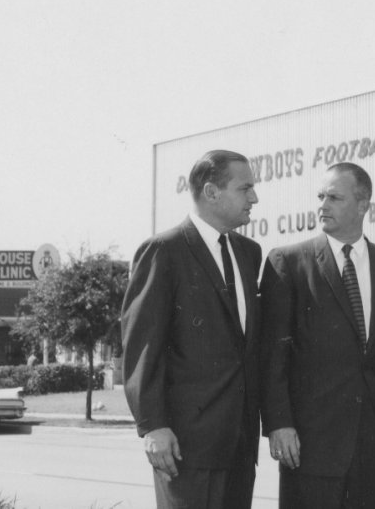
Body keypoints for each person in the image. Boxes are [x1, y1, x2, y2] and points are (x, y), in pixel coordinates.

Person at [261, 162, 375, 509]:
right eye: (320, 196)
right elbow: (273, 356)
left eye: (334, 197)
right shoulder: (288, 262)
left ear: (363, 206)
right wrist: (278, 424)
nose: (322, 206)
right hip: (311, 445)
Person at [121, 149, 262, 508]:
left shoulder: (249, 253)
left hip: (239, 444)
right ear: (211, 192)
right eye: (245, 188)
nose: (254, 198)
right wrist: (152, 426)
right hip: (185, 447)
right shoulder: (163, 252)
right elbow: (142, 346)